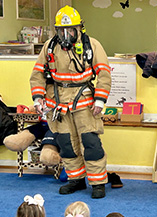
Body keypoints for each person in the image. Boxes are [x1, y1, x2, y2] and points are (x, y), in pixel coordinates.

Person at [30, 5, 112, 198]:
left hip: (84, 102)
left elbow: (104, 73)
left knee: (90, 143)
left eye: (70, 30)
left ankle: (98, 182)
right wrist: (38, 97)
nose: (66, 34)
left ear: (79, 28)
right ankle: (76, 180)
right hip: (58, 102)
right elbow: (37, 74)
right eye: (61, 30)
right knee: (66, 143)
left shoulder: (92, 45)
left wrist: (100, 100)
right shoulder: (50, 47)